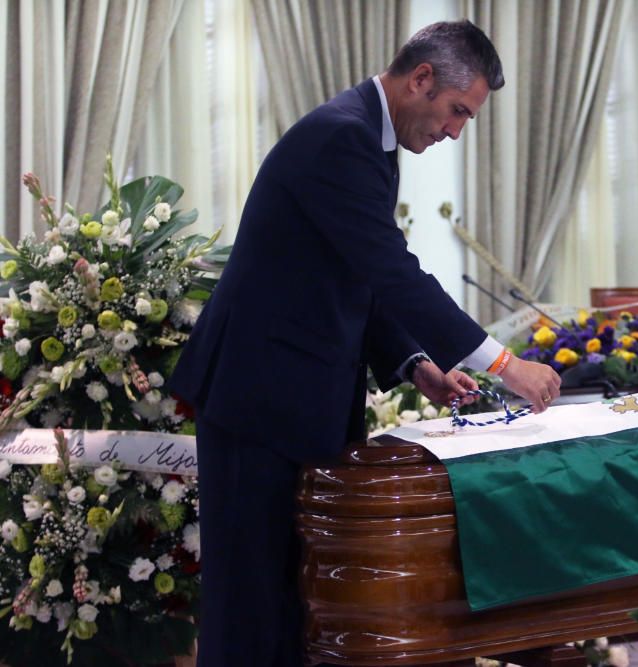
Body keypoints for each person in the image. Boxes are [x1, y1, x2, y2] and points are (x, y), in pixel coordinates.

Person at [169, 19, 561, 667]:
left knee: (297, 600)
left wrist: (417, 364)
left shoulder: (369, 141)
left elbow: (354, 274)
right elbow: (391, 270)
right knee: (250, 606)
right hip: (257, 399)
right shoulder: (340, 138)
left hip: (297, 399)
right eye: (457, 111)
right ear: (422, 79)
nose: (456, 131)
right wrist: (504, 363)